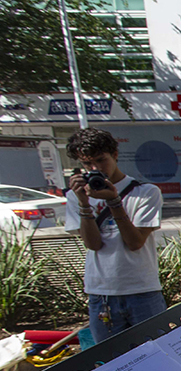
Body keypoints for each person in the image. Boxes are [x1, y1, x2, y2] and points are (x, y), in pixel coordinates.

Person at [64, 128, 167, 342]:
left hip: (142, 289)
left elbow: (135, 242)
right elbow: (93, 244)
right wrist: (84, 204)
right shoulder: (77, 197)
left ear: (115, 155)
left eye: (101, 160)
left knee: (158, 355)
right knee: (110, 363)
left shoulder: (145, 192)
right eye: (87, 164)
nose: (95, 169)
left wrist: (114, 202)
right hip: (102, 293)